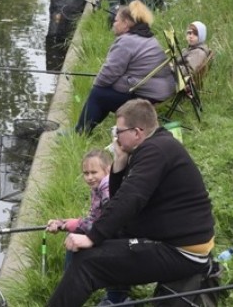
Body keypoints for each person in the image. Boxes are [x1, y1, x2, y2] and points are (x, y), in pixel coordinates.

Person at [47, 99, 216, 307]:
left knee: (87, 262)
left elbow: (131, 198)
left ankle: (112, 296)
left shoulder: (155, 151)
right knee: (104, 234)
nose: (115, 137)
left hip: (183, 252)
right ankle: (117, 295)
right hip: (172, 238)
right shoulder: (155, 146)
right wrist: (119, 163)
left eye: (118, 131)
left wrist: (93, 237)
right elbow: (120, 198)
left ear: (137, 132)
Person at [75, 1, 173, 134]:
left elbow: (109, 73)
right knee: (105, 93)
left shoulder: (126, 41)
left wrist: (97, 86)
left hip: (148, 97)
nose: (113, 24)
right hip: (161, 92)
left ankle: (80, 131)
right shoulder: (148, 37)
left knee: (98, 94)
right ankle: (87, 128)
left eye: (116, 21)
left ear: (126, 23)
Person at [46, 150, 129, 305]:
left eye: (94, 172)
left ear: (108, 169)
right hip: (108, 234)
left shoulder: (107, 189)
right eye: (86, 173)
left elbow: (107, 224)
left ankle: (117, 297)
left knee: (78, 241)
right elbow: (93, 220)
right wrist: (63, 223)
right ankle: (71, 284)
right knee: (74, 239)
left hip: (120, 238)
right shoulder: (98, 188)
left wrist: (73, 225)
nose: (89, 177)